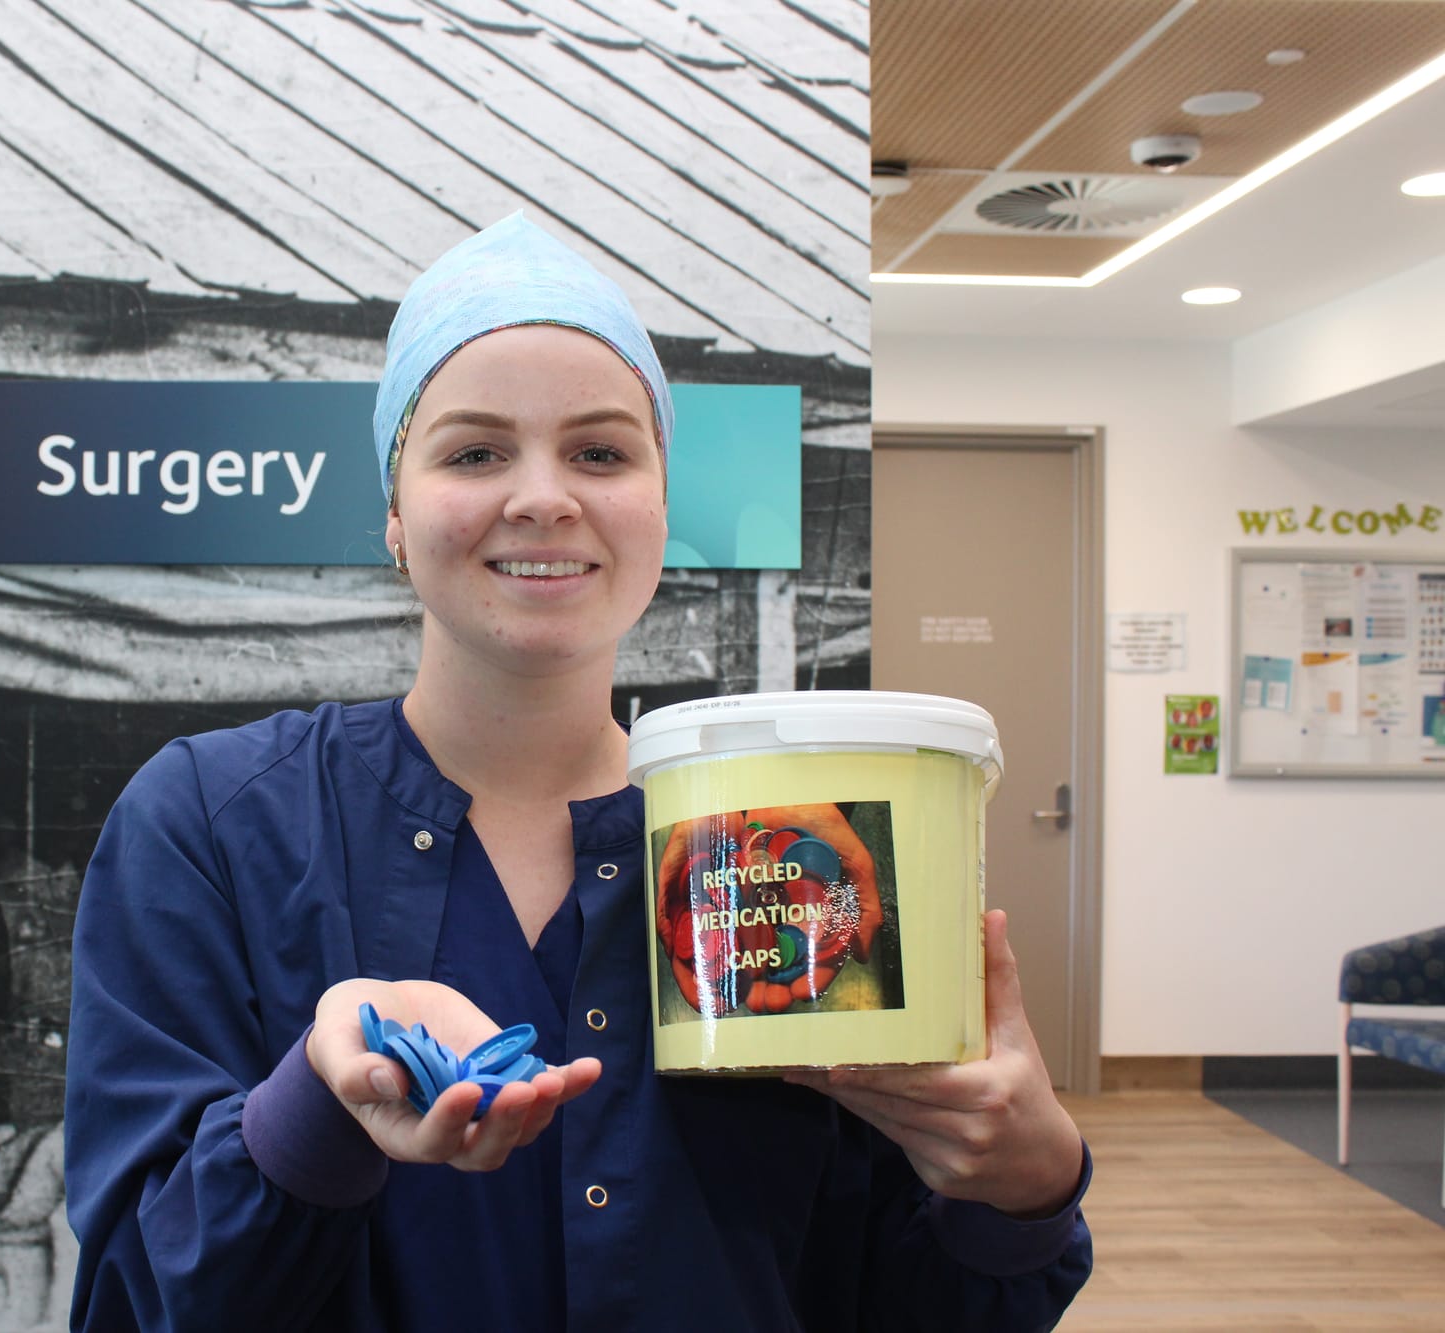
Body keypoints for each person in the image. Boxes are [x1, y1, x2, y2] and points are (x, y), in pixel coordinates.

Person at [64, 213, 1092, 1332]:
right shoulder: (211, 825)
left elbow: (890, 1298)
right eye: (473, 452)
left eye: (600, 452)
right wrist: (315, 1102)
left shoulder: (790, 841)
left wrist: (1024, 1183)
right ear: (395, 516)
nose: (543, 496)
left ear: (658, 506)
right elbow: (142, 1290)